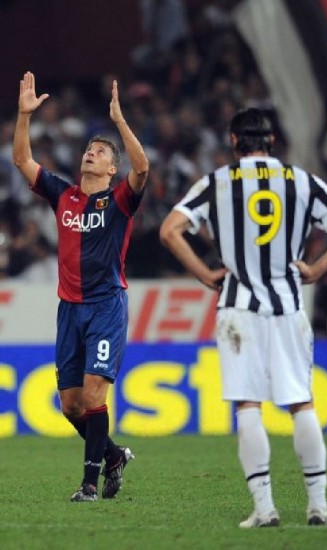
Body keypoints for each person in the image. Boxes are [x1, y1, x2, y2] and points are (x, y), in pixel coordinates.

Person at [160, 108, 327, 527]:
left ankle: (265, 507)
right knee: (301, 402)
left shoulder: (216, 182)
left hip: (238, 307)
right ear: (272, 142)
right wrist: (318, 268)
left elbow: (169, 230)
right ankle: (318, 507)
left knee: (248, 405)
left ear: (234, 142)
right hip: (288, 305)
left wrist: (204, 274)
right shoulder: (301, 180)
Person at [13, 72, 149, 502]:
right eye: (90, 149)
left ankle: (90, 485)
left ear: (112, 169)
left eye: (101, 152)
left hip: (106, 306)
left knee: (94, 393)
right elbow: (22, 161)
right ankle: (113, 457)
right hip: (69, 309)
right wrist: (23, 116)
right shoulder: (64, 195)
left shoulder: (120, 201)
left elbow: (142, 167)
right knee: (71, 406)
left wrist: (120, 123)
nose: (92, 153)